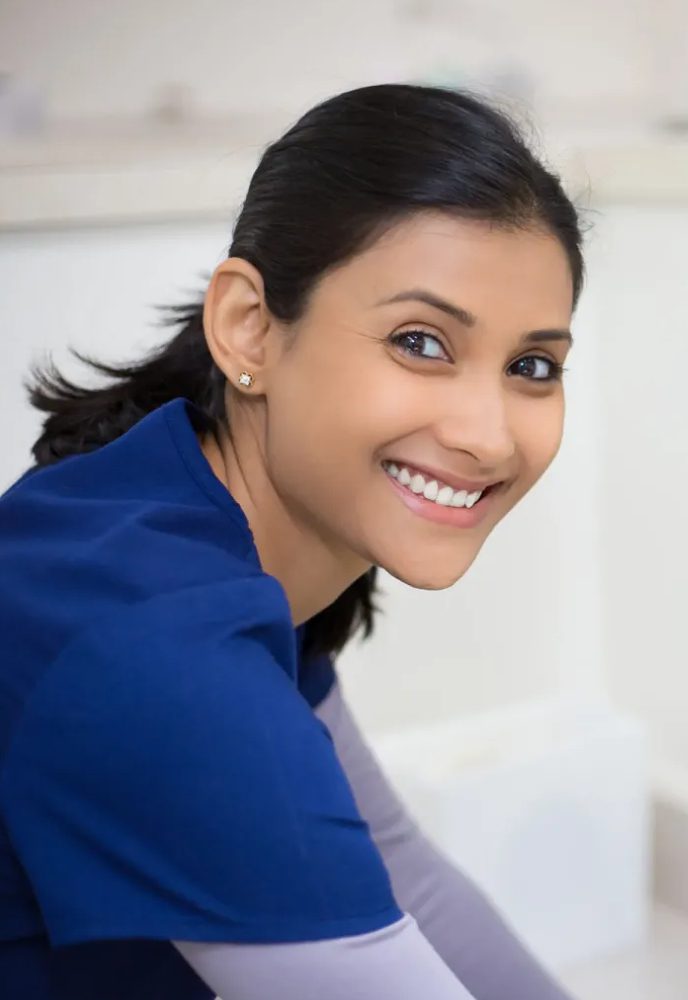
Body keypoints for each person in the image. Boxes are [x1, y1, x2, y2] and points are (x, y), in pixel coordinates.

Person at [0, 83, 584, 1000]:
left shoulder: (178, 512)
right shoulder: (162, 652)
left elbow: (407, 879)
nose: (489, 434)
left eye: (532, 367)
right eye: (421, 342)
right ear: (249, 327)